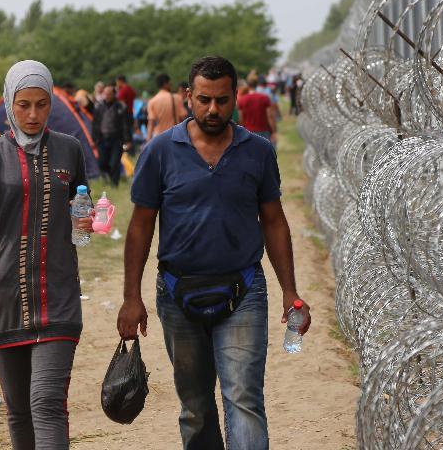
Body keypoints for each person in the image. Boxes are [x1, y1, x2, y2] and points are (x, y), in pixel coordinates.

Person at [117, 56, 310, 450]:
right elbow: (140, 226)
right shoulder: (159, 152)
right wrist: (131, 297)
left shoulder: (256, 151)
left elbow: (273, 221)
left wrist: (290, 291)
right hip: (177, 295)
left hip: (244, 291)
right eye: (204, 99)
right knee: (196, 406)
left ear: (235, 97)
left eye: (222, 100)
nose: (212, 110)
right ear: (188, 96)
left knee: (244, 399)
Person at [0, 60, 93, 450]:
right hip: (4, 297)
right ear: (8, 104)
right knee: (19, 411)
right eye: (23, 105)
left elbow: (80, 203)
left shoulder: (70, 150)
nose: (33, 115)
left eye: (41, 104)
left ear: (51, 103)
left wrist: (83, 221)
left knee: (47, 403)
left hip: (59, 297)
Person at [93, 84, 132, 186]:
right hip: (102, 139)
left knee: (114, 163)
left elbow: (126, 125)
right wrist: (94, 139)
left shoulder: (121, 107)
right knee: (102, 163)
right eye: (105, 93)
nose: (107, 96)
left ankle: (115, 184)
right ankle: (108, 178)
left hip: (116, 139)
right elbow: (95, 124)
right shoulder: (98, 107)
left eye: (109, 94)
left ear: (114, 95)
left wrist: (127, 140)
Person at [146, 73, 185, 141]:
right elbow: (183, 116)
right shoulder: (177, 98)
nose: (171, 85)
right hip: (175, 136)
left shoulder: (152, 101)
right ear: (165, 84)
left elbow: (151, 124)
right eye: (170, 83)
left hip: (158, 137)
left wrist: (148, 141)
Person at [237, 75, 276, 144]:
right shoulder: (265, 98)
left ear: (248, 86)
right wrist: (273, 131)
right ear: (257, 85)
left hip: (248, 132)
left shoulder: (241, 100)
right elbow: (270, 116)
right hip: (263, 132)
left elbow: (241, 119)